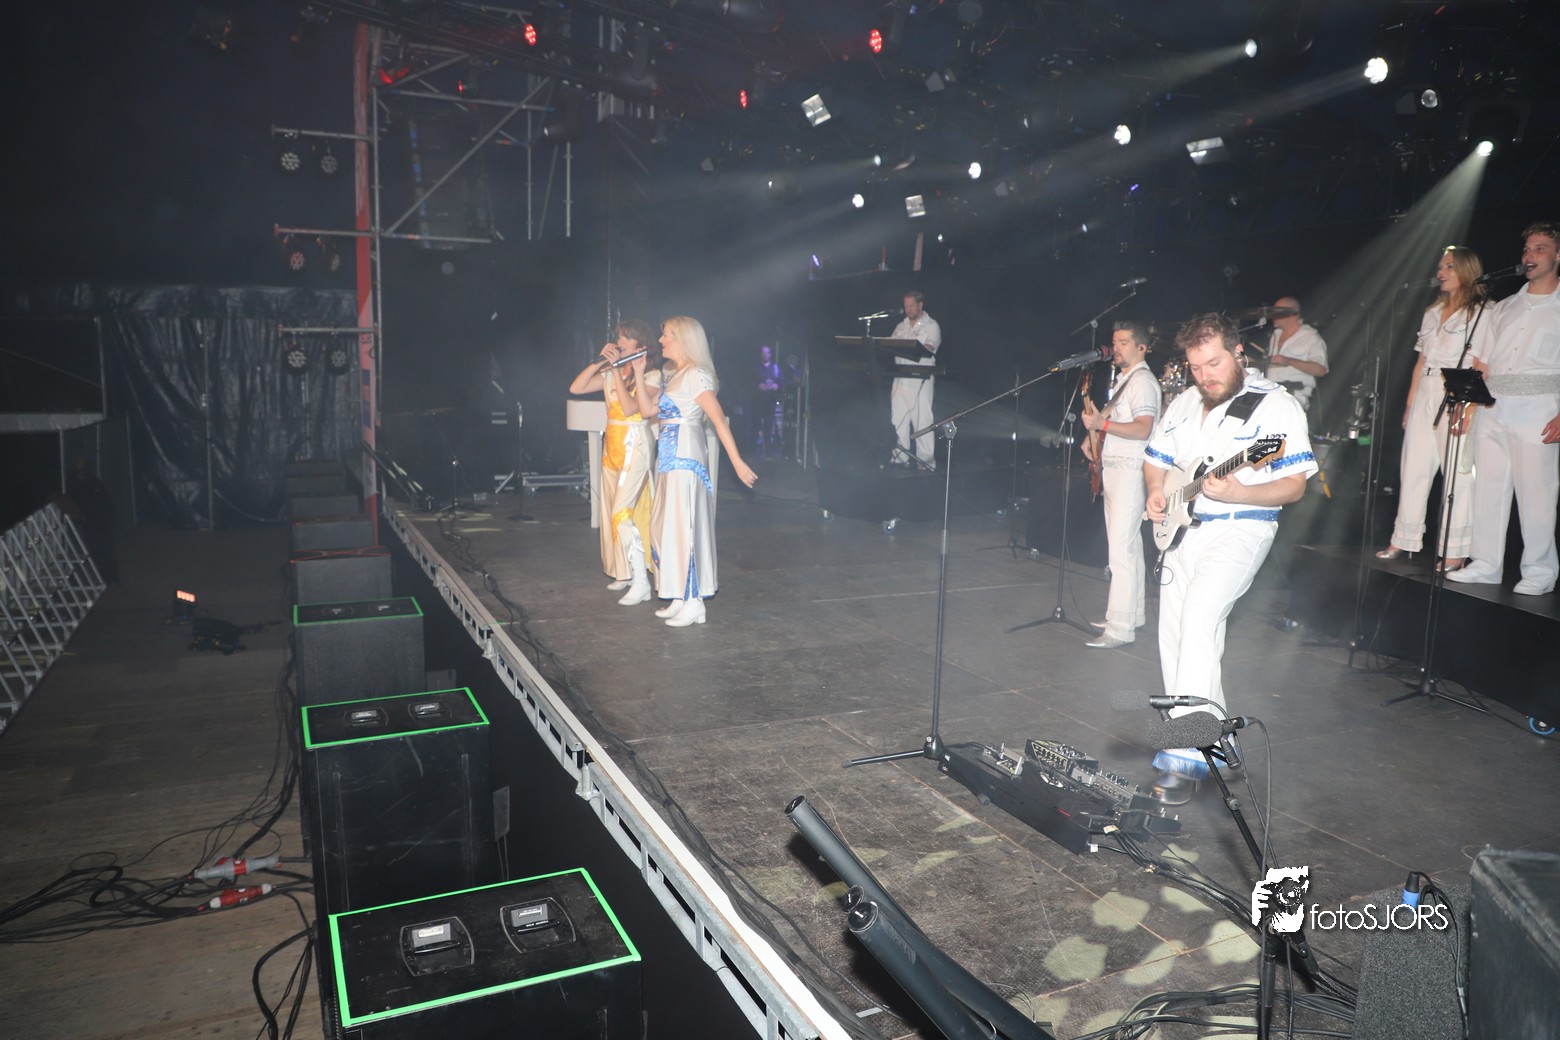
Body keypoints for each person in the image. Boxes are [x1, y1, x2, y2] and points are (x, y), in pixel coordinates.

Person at [1144, 313, 1317, 803]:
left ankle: (1185, 756)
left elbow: (1295, 485)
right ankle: (1213, 743)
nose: (1205, 375)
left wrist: (1242, 490)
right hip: (1182, 532)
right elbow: (1156, 460)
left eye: (1214, 363)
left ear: (1239, 352)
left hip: (1240, 530)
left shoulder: (1275, 407)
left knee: (1200, 620)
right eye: (1196, 367)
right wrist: (1157, 492)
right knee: (1175, 638)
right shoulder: (1184, 401)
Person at [1448, 220, 1560, 597]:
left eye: (1540, 248)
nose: (1530, 255)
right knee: (1489, 487)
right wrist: (1469, 405)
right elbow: (1484, 361)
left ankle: (1540, 570)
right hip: (1495, 405)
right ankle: (1485, 563)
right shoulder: (1505, 306)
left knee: (1537, 493)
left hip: (1540, 407)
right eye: (1527, 249)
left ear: (1558, 255)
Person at [630, 316, 758, 627]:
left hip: (686, 457)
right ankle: (678, 594)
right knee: (664, 527)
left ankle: (694, 601)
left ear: (684, 339)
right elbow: (646, 411)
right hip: (668, 459)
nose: (661, 340)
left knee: (684, 527)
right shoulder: (673, 375)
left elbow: (718, 418)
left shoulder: (696, 375)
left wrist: (737, 461)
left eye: (667, 335)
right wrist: (637, 372)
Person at [1377, 247, 1492, 569]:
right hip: (1427, 390)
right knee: (1413, 467)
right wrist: (1410, 404)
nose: (1441, 272)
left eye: (1449, 266)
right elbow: (1421, 361)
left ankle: (1454, 549)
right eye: (1441, 266)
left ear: (1466, 269)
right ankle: (1404, 538)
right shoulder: (1433, 311)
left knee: (1456, 474)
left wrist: (1469, 406)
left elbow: (1482, 363)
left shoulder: (1482, 311)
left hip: (1458, 389)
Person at [1079, 321, 1161, 649]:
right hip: (1116, 469)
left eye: (1124, 342)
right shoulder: (1126, 380)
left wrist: (1103, 425)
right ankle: (1132, 615)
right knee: (1130, 547)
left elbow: (1143, 428)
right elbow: (1113, 424)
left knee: (1121, 552)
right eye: (1114, 342)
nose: (1115, 348)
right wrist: (1095, 436)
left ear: (1142, 347)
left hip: (1130, 471)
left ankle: (1120, 628)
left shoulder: (1143, 382)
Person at [568, 320, 660, 605]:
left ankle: (641, 578)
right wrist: (599, 361)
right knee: (611, 511)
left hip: (636, 444)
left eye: (626, 338)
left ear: (640, 345)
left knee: (624, 511)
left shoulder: (652, 375)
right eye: (618, 336)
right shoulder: (610, 371)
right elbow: (576, 387)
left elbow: (632, 408)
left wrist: (620, 371)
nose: (619, 341)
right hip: (612, 446)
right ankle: (623, 571)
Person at [889, 290, 943, 469]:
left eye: (911, 305)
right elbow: (889, 346)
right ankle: (900, 459)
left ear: (920, 305)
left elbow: (927, 349)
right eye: (906, 306)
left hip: (920, 380)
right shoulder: (900, 326)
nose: (908, 309)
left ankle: (925, 463)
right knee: (898, 420)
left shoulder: (931, 325)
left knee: (922, 422)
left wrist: (906, 347)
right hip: (899, 380)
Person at [1265, 296, 1329, 411]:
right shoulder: (1275, 335)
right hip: (1271, 393)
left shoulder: (1310, 337)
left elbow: (1320, 370)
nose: (1273, 315)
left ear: (1292, 314)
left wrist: (1289, 361)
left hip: (1294, 397)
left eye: (1277, 312)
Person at [753, 345, 783, 457]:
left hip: (771, 401)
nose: (765, 355)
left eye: (767, 353)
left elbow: (782, 381)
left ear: (770, 354)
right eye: (763, 353)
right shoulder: (756, 368)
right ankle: (753, 448)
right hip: (758, 401)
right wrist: (758, 386)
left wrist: (776, 386)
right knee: (756, 424)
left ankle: (769, 450)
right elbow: (751, 382)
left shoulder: (775, 368)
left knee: (769, 425)